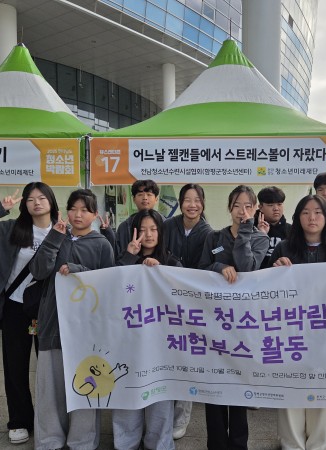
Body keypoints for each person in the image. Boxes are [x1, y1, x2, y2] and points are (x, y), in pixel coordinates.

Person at [0, 182, 59, 445]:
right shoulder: (9, 229)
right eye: (30, 199)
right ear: (24, 204)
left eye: (42, 198)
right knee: (15, 366)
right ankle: (19, 420)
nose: (36, 203)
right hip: (15, 308)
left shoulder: (62, 231)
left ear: (51, 202)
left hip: (50, 310)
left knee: (51, 368)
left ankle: (51, 421)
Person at [31, 188, 115, 450]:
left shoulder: (102, 244)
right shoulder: (56, 237)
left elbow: (109, 284)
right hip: (53, 323)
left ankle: (83, 440)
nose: (78, 215)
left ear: (95, 214)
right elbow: (39, 271)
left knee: (86, 384)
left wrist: (79, 271)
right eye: (73, 209)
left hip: (87, 330)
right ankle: (49, 440)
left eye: (85, 210)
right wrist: (54, 238)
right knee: (50, 387)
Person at [269, 194, 326, 450]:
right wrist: (274, 268)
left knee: (325, 389)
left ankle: (322, 444)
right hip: (291, 330)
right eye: (305, 212)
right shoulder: (284, 248)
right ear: (297, 218)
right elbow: (265, 287)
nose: (312, 218)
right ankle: (291, 443)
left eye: (318, 212)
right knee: (291, 387)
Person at [198, 185, 270, 450]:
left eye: (248, 206)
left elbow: (247, 267)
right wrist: (219, 266)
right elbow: (202, 268)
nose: (242, 211)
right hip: (214, 319)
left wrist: (246, 233)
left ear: (256, 209)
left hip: (243, 322)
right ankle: (216, 444)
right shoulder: (214, 237)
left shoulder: (260, 240)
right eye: (237, 206)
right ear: (229, 208)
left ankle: (239, 444)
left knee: (239, 384)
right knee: (215, 382)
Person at [113, 208, 181, 450]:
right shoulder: (124, 260)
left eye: (153, 229)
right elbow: (111, 287)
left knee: (160, 394)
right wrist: (130, 257)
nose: (148, 235)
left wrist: (161, 272)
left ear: (161, 233)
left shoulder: (172, 261)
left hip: (161, 344)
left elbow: (180, 297)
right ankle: (126, 442)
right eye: (142, 230)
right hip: (128, 340)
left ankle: (159, 443)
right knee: (127, 390)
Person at [162, 183, 213, 440]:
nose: (192, 205)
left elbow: (210, 265)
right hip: (165, 299)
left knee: (186, 358)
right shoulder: (167, 226)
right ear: (180, 203)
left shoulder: (209, 233)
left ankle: (181, 417)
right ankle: (162, 414)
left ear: (202, 204)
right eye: (187, 200)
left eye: (197, 200)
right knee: (166, 355)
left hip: (192, 303)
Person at [114, 179, 160, 260]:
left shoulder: (166, 224)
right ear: (134, 199)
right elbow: (119, 256)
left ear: (156, 199)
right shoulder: (124, 227)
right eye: (140, 194)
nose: (145, 198)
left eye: (149, 194)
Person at [253, 186, 291, 268]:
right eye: (270, 205)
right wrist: (260, 235)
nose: (276, 208)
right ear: (260, 207)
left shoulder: (292, 230)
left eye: (279, 204)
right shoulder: (250, 229)